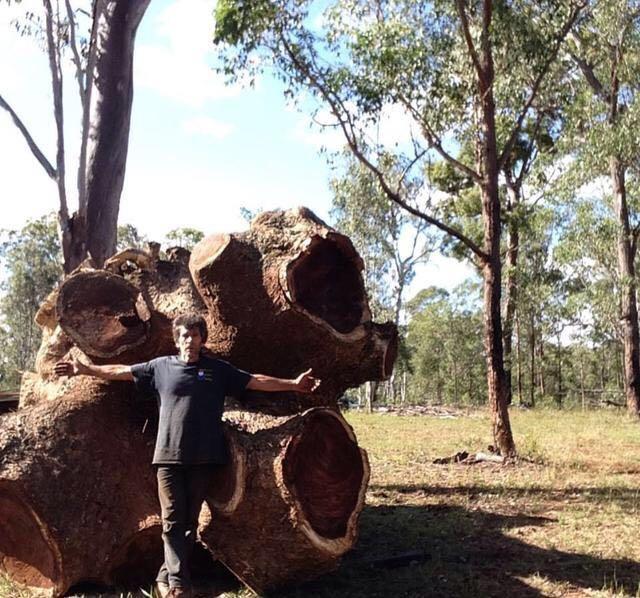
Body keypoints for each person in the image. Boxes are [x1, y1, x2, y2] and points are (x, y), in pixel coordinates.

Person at [54, 312, 320, 598]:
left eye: (194, 335)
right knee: (171, 520)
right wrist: (85, 369)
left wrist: (293, 384)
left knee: (190, 523)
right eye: (183, 335)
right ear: (176, 339)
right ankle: (179, 585)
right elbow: (121, 371)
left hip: (204, 459)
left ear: (202, 339)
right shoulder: (160, 368)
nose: (188, 340)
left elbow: (255, 380)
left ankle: (165, 575)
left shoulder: (217, 370)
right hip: (167, 458)